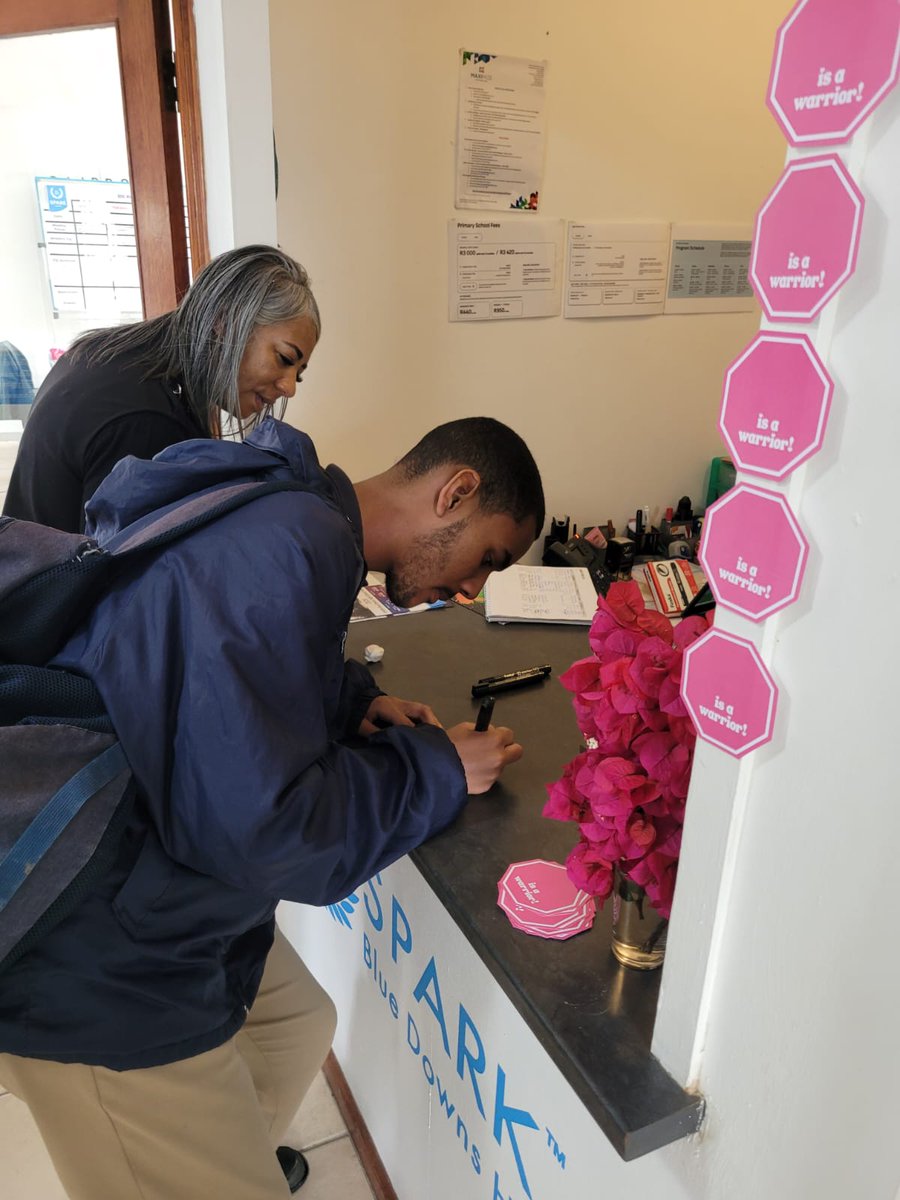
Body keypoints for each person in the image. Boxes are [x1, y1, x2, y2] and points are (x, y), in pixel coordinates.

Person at [0, 414, 545, 1200]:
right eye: (485, 557)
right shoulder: (291, 547)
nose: (470, 588)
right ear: (454, 491)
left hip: (147, 866)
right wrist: (436, 770)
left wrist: (353, 701)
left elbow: (215, 675)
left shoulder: (293, 512)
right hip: (93, 944)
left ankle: (211, 1157)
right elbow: (268, 834)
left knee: (295, 1028)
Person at [3, 243, 320, 533]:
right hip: (51, 591)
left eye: (299, 374)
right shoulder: (148, 419)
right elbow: (127, 578)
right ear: (224, 322)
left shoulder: (118, 354)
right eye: (284, 358)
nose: (289, 387)